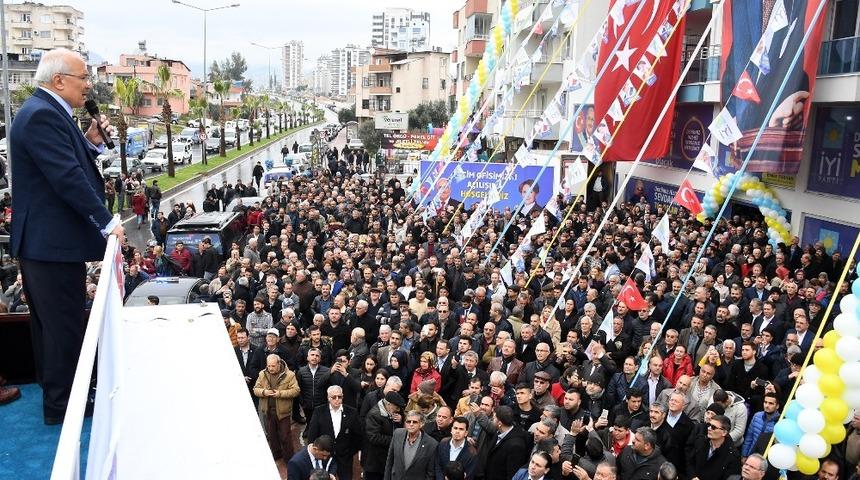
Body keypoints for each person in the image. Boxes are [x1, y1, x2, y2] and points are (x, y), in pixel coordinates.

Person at [10, 47, 124, 424]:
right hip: (50, 245)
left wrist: (90, 141)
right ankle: (62, 405)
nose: (88, 85)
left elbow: (71, 161)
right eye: (83, 78)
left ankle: (55, 391)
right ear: (59, 80)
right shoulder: (42, 115)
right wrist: (106, 222)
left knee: (52, 325)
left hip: (49, 244)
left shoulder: (50, 113)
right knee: (62, 326)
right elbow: (67, 178)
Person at [306, 385, 363, 480]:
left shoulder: (352, 412)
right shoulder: (319, 411)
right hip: (324, 458)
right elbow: (312, 435)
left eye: (339, 397)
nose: (337, 399)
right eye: (333, 397)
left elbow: (358, 436)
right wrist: (319, 453)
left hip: (345, 458)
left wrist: (349, 452)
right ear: (328, 398)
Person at [254, 354, 300, 465]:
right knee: (272, 436)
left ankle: (289, 458)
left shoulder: (289, 375)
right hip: (268, 411)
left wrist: (280, 393)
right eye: (269, 366)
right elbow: (255, 389)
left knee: (285, 436)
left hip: (283, 412)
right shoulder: (262, 374)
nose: (270, 368)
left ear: (279, 364)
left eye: (273, 366)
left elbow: (296, 390)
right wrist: (264, 392)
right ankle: (276, 455)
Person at [384, 410, 439, 480]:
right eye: (408, 421)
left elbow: (430, 473)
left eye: (415, 422)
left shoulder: (431, 444)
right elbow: (389, 461)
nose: (411, 424)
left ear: (421, 424)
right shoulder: (397, 434)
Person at [687, 415, 741, 480]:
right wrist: (693, 476)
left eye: (713, 427)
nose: (709, 428)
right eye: (709, 425)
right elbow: (690, 461)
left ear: (724, 432)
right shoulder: (700, 441)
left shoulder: (732, 456)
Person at [435, 416, 478, 480]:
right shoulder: (443, 443)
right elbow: (438, 466)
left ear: (466, 433)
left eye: (461, 429)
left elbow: (469, 475)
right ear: (451, 430)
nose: (457, 431)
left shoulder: (472, 453)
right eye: (455, 428)